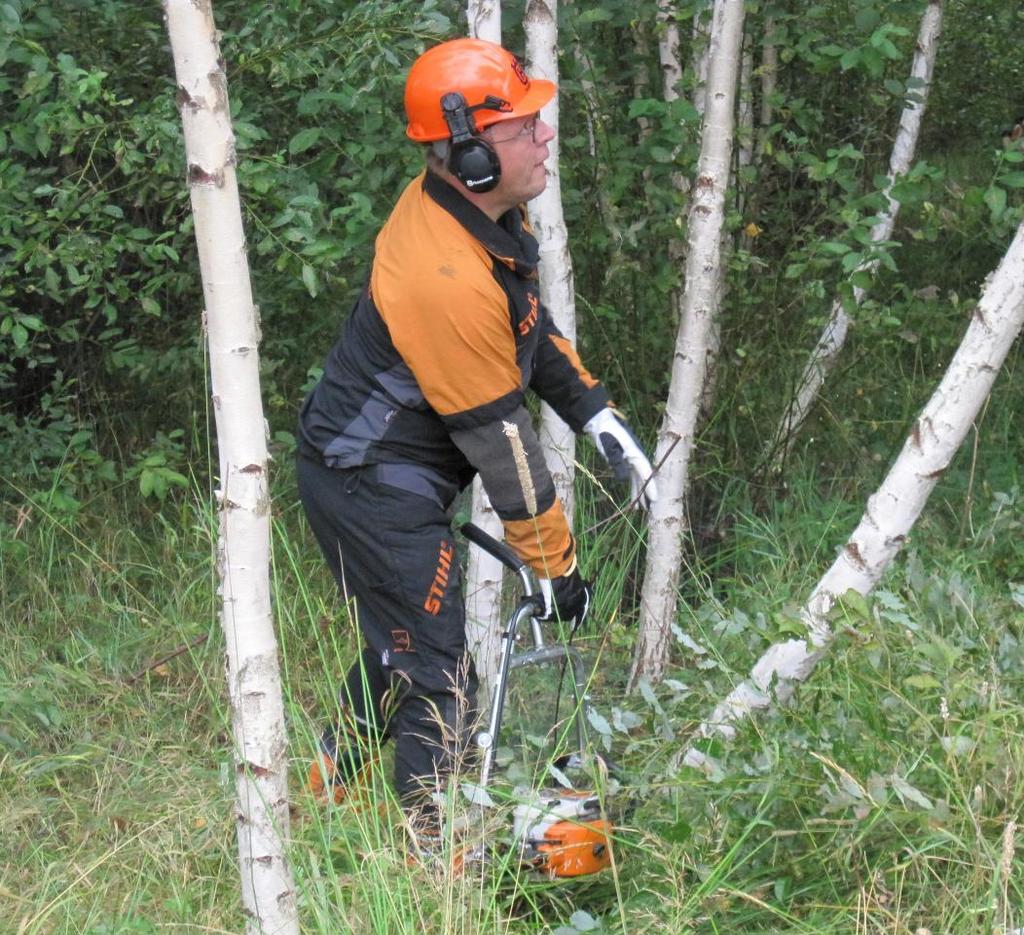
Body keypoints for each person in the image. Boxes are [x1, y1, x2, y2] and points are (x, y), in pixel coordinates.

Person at [296, 37, 658, 848]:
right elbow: (502, 440)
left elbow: (527, 327)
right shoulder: (443, 273)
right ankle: (439, 864)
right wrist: (557, 564)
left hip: (392, 466)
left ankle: (323, 782)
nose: (546, 135)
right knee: (439, 670)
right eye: (527, 124)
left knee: (403, 645)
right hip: (369, 480)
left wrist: (595, 412)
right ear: (468, 150)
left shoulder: (482, 211)